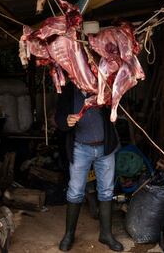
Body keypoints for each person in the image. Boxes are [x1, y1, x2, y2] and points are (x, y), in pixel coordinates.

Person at [55, 82, 124, 252]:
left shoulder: (103, 84)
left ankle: (106, 234)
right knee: (75, 190)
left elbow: (117, 105)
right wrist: (66, 121)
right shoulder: (68, 89)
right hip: (80, 147)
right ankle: (69, 234)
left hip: (105, 147)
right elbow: (59, 117)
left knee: (106, 190)